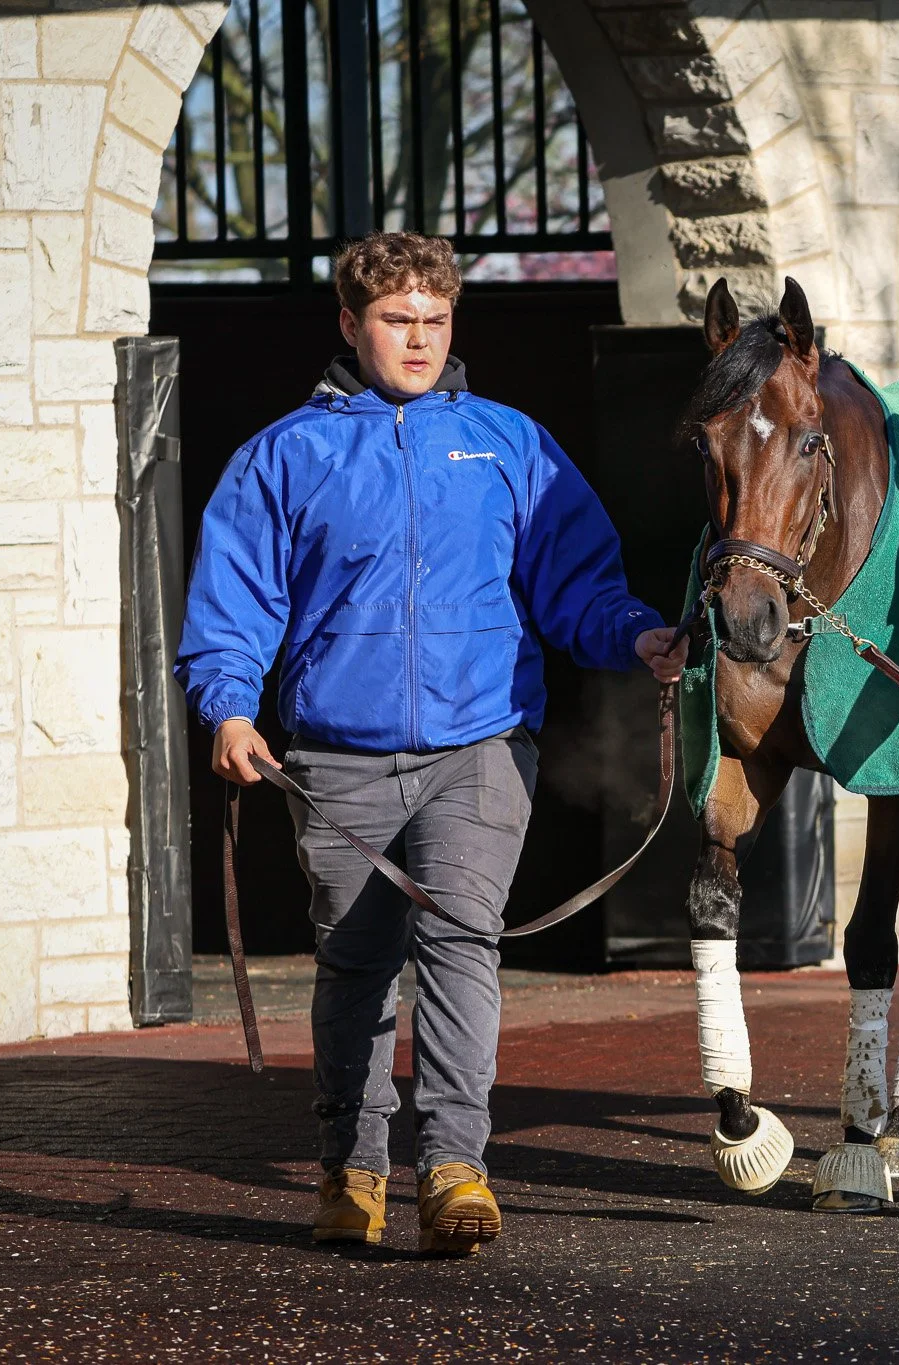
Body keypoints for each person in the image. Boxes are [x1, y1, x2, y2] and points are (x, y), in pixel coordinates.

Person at [176, 231, 686, 1255]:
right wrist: (230, 709)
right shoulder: (285, 456)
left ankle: (455, 1169)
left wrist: (637, 633)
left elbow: (575, 584)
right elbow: (233, 606)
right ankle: (352, 1171)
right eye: (396, 321)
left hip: (479, 748)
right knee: (355, 966)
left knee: (459, 943)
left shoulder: (507, 444)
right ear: (349, 325)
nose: (417, 340)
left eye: (435, 321)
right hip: (334, 761)